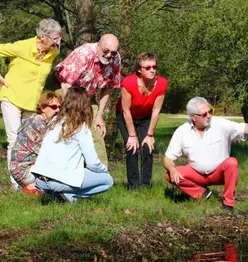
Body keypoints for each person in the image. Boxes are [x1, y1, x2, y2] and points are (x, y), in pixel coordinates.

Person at [163, 97, 248, 213]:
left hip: (219, 173)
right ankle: (201, 193)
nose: (208, 116)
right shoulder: (182, 131)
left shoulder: (220, 123)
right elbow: (168, 158)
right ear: (193, 117)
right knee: (170, 174)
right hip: (196, 175)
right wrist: (172, 169)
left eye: (210, 111)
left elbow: (244, 128)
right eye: (204, 114)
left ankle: (228, 203)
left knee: (232, 162)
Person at [0, 18, 62, 190]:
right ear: (43, 37)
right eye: (55, 38)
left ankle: (34, 181)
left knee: (33, 141)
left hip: (32, 102)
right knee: (14, 140)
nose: (58, 42)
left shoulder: (53, 52)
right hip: (11, 97)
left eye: (59, 38)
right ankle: (16, 184)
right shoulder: (22, 46)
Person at [32, 87, 113, 203]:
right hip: (57, 180)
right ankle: (69, 197)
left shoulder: (54, 122)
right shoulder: (81, 128)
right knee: (107, 180)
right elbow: (93, 163)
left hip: (39, 179)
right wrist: (104, 169)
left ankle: (55, 195)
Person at [54, 34, 121, 167]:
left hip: (86, 94)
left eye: (112, 52)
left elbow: (108, 87)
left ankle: (101, 174)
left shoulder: (116, 59)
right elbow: (65, 85)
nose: (108, 55)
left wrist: (100, 115)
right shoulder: (83, 54)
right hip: (64, 89)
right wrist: (69, 113)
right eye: (105, 51)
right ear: (98, 45)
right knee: (66, 128)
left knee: (97, 130)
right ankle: (62, 169)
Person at [116, 52, 168, 189]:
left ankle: (146, 185)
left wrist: (150, 135)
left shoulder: (162, 83)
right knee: (132, 148)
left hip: (145, 116)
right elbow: (126, 111)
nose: (152, 70)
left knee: (147, 147)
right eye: (148, 67)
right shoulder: (128, 83)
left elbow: (156, 111)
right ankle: (133, 186)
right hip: (126, 116)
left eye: (154, 67)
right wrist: (132, 136)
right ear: (139, 69)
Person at [10, 91, 62, 196]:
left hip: (21, 168)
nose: (58, 110)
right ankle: (34, 188)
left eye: (60, 107)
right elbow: (49, 154)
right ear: (42, 108)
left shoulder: (35, 120)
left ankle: (32, 187)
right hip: (24, 170)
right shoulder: (37, 125)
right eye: (54, 107)